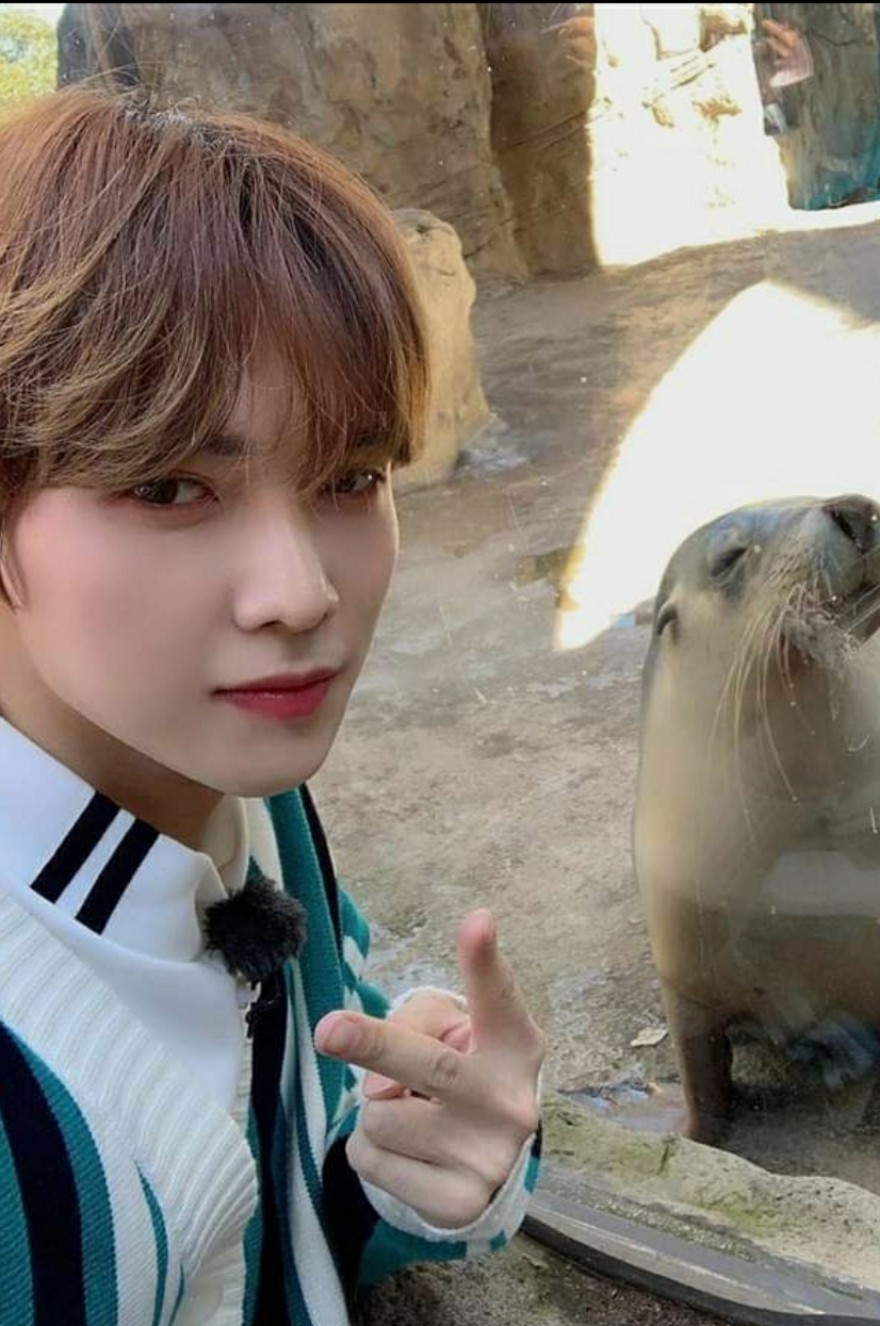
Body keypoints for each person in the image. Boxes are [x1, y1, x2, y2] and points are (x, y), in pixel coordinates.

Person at [0, 86, 545, 1325]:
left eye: (350, 475)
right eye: (168, 487)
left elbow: (277, 1203)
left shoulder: (245, 796)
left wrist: (420, 1168)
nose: (300, 593)